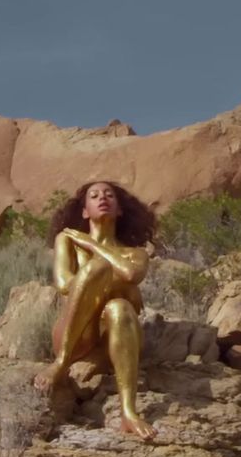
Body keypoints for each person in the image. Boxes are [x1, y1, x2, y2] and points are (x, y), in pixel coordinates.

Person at [34, 180, 157, 439]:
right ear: (84, 211)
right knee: (98, 269)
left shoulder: (135, 253)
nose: (103, 198)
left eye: (109, 195)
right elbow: (64, 284)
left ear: (120, 210)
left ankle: (128, 412)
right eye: (94, 195)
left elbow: (131, 273)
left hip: (117, 334)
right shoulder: (66, 240)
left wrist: (94, 247)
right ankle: (61, 363)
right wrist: (96, 271)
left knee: (120, 307)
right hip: (77, 334)